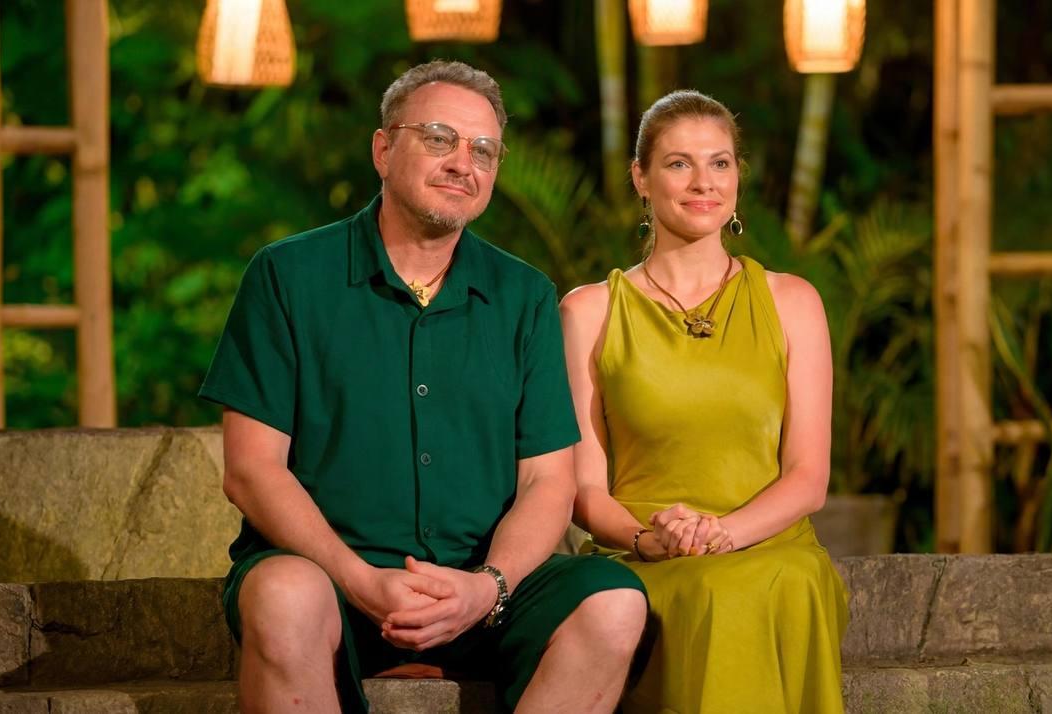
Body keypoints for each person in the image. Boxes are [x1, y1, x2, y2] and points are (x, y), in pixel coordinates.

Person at [200, 60, 646, 714]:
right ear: (383, 150)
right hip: (330, 580)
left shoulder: (524, 296)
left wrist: (487, 587)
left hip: (485, 595)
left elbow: (548, 481)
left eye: (484, 150)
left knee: (614, 601)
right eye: (440, 139)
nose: (464, 163)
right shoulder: (287, 276)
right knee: (282, 594)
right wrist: (359, 580)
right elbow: (250, 469)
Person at [560, 90, 849, 713]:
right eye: (678, 163)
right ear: (641, 179)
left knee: (762, 584)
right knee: (699, 592)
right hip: (643, 552)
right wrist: (649, 540)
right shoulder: (588, 312)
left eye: (720, 163)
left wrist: (722, 533)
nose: (703, 183)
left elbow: (808, 478)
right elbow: (583, 490)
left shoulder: (794, 302)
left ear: (738, 177)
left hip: (769, 548)